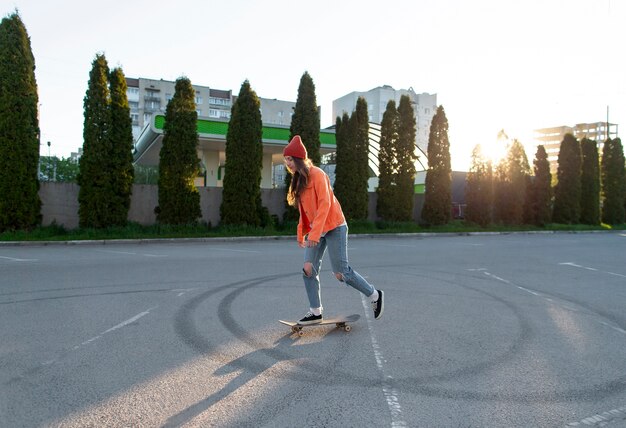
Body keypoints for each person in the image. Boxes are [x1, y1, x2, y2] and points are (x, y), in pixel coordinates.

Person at [283, 135, 384, 324]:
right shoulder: (298, 181)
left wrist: (314, 233)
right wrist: (301, 233)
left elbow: (325, 204)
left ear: (298, 158)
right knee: (307, 269)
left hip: (335, 226)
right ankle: (315, 311)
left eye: (289, 159)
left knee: (341, 273)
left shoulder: (318, 175)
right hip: (317, 229)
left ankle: (374, 294)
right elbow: (305, 212)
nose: (287, 163)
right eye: (285, 160)